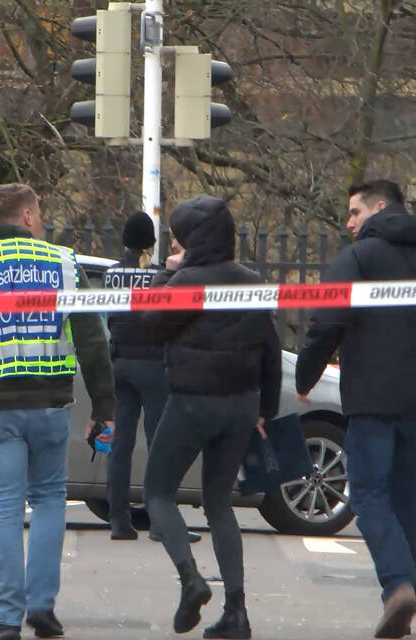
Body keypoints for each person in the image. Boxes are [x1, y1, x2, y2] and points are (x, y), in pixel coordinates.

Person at [296, 180, 416, 639]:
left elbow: (326, 321)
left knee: (367, 495)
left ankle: (398, 587)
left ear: (379, 208)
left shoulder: (358, 260)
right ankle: (405, 606)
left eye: (354, 212)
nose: (348, 222)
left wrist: (305, 378)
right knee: (404, 502)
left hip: (371, 398)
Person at [0, 183, 116, 640]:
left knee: (6, 507)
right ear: (28, 217)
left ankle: (7, 618)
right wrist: (104, 407)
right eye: (40, 211)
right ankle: (43, 608)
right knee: (50, 499)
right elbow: (93, 342)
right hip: (50, 405)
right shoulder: (63, 265)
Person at [143, 196, 281, 639]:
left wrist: (168, 273)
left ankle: (191, 579)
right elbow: (271, 350)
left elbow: (147, 322)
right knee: (220, 503)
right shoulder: (252, 281)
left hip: (192, 402)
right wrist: (267, 409)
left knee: (158, 492)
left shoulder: (185, 281)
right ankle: (236, 612)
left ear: (192, 240)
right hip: (241, 403)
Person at [103, 211, 201, 544]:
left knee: (120, 444)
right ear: (150, 242)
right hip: (152, 365)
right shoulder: (160, 276)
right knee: (160, 446)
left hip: (118, 363)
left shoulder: (111, 275)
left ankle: (118, 520)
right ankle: (160, 522)